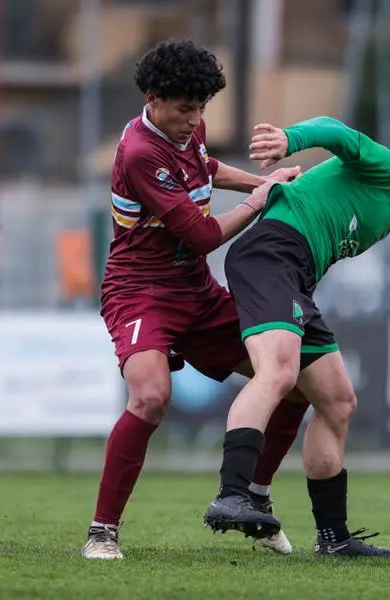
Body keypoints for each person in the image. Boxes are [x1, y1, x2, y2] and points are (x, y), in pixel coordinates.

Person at [203, 116, 390, 557]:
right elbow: (339, 134)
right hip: (271, 255)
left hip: (294, 276)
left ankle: (333, 538)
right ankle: (232, 494)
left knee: (338, 401)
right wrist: (289, 140)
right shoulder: (388, 173)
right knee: (278, 372)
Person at [82, 39, 308, 560]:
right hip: (140, 292)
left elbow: (207, 169)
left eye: (202, 108)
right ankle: (102, 532)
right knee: (151, 396)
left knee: (290, 380)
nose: (195, 119)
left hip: (196, 291)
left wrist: (268, 181)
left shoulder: (188, 128)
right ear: (154, 98)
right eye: (186, 108)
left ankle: (252, 498)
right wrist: (261, 197)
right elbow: (203, 235)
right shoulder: (139, 152)